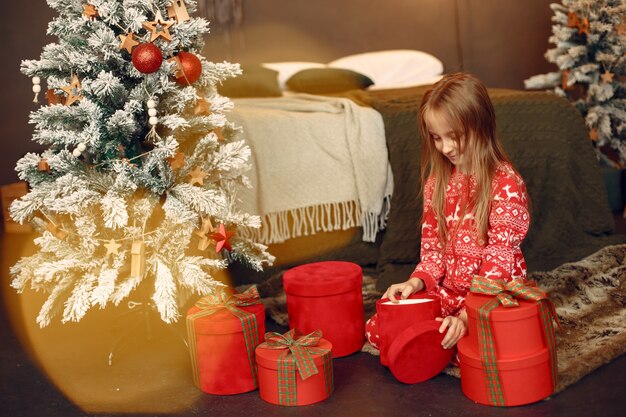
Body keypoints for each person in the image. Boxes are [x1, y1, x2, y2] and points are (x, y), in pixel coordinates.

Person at [366, 72, 530, 352]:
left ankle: (450, 342)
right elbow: (433, 253)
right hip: (450, 293)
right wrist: (415, 283)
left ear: (481, 125)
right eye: (436, 138)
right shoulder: (437, 184)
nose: (446, 148)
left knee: (487, 340)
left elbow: (499, 259)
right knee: (378, 328)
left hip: (493, 294)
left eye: (454, 136)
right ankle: (439, 343)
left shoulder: (506, 183)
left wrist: (467, 316)